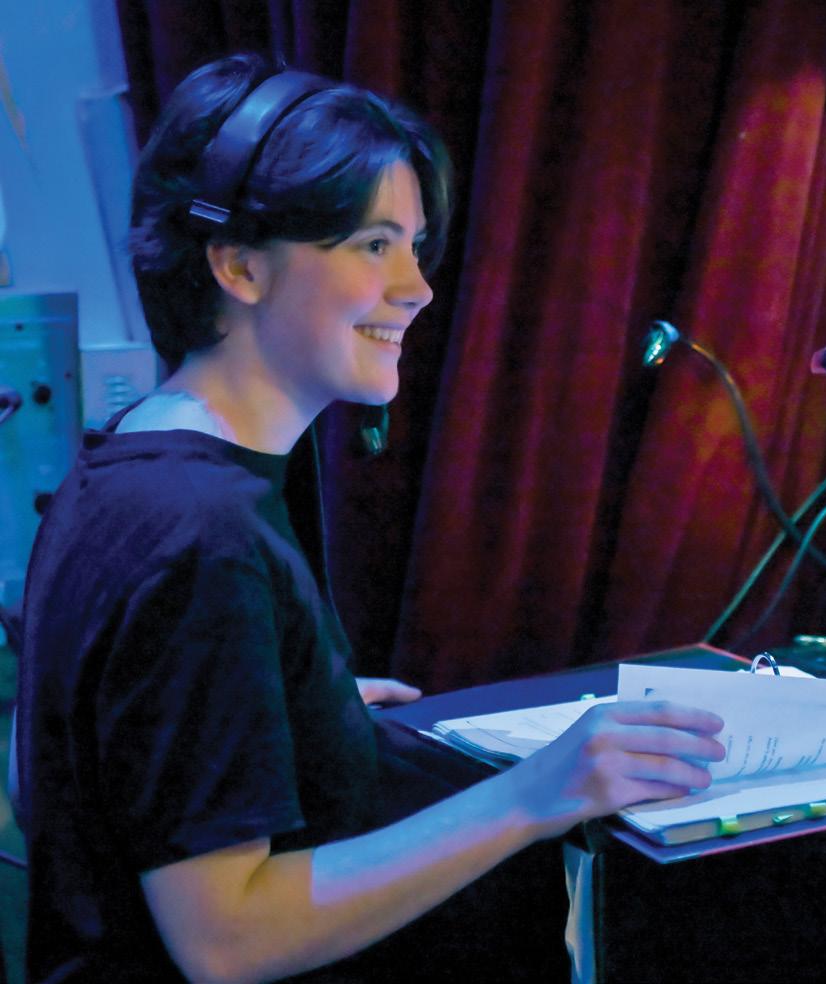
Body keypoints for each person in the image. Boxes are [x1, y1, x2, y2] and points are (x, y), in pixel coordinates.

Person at [16, 53, 724, 983]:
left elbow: (94, 757)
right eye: (373, 245)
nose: (417, 288)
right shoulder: (198, 534)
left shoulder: (133, 458)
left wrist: (282, 712)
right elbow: (227, 940)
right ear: (239, 264)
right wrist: (534, 795)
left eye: (414, 247)